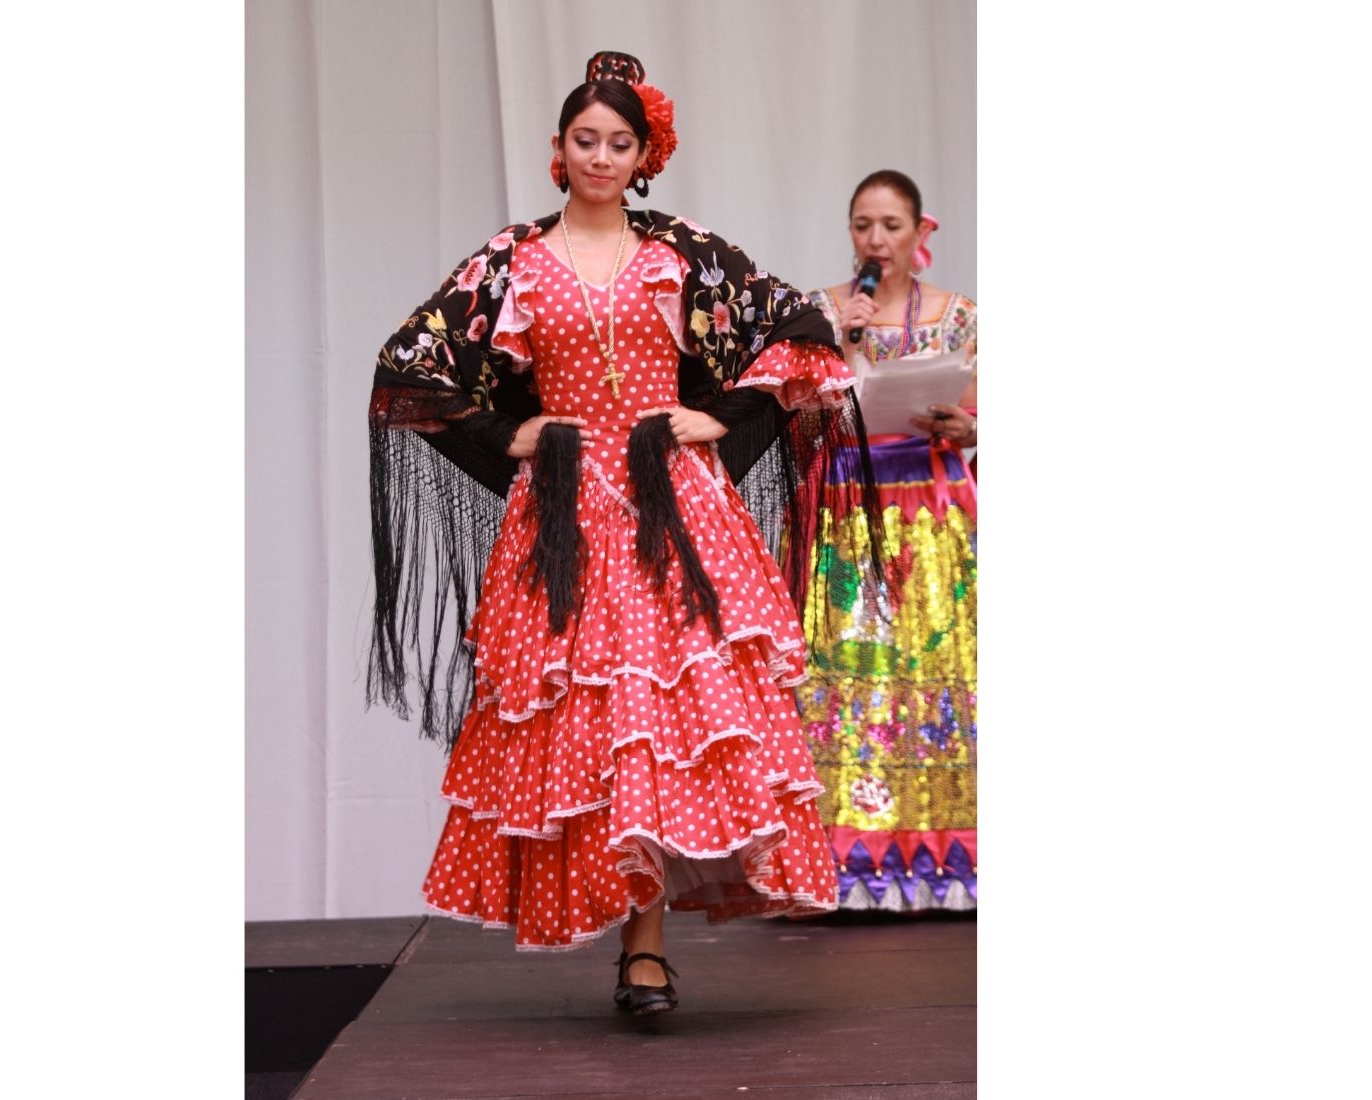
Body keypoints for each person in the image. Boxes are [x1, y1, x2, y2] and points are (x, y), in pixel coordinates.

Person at [366, 52, 884, 1015]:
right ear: (558, 149)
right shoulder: (512, 260)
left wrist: (719, 415)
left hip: (671, 510)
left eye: (618, 143)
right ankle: (615, 920)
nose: (601, 157)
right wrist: (506, 432)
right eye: (585, 140)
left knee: (660, 715)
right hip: (565, 516)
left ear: (646, 156)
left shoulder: (681, 253)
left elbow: (798, 330)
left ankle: (645, 951)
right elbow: (411, 363)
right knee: (586, 721)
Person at [795, 169, 978, 912]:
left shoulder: (958, 317)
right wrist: (842, 346)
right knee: (851, 675)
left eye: (891, 225)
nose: (876, 239)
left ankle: (951, 862)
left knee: (939, 674)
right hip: (848, 510)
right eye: (863, 225)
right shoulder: (821, 312)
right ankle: (845, 867)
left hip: (933, 513)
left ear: (918, 232)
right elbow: (798, 416)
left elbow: (978, 410)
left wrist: (966, 426)